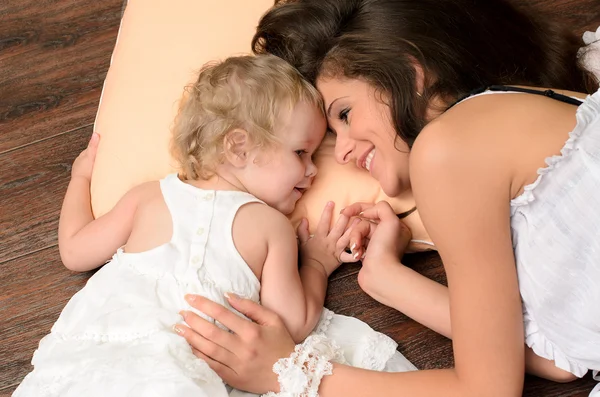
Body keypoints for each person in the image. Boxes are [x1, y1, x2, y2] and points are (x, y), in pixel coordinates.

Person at [174, 0, 600, 396]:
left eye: (344, 114)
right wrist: (388, 279)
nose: (338, 152)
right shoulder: (532, 106)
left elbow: (486, 390)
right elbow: (561, 355)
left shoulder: (447, 149)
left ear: (410, 74)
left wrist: (288, 370)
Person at [13, 54, 415, 397]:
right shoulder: (269, 227)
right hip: (175, 371)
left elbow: (74, 251)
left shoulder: (148, 196)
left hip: (87, 361)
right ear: (239, 147)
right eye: (301, 153)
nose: (312, 171)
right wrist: (315, 264)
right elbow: (291, 324)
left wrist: (80, 179)